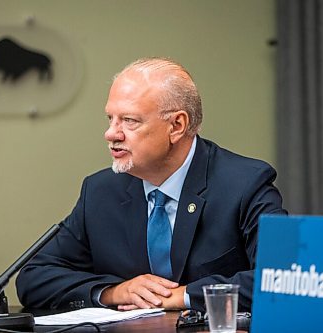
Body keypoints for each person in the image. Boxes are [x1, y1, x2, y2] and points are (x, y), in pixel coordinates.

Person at [16, 57, 287, 313]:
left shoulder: (244, 183)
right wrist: (113, 291)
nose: (111, 133)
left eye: (129, 120)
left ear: (177, 125)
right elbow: (34, 277)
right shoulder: (100, 192)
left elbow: (280, 278)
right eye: (110, 118)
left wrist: (180, 296)